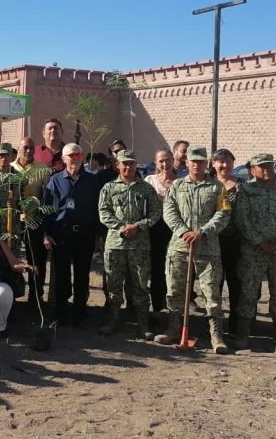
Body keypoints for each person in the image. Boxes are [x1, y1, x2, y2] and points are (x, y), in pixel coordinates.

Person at [155, 145, 232, 354]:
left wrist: (202, 232)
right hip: (180, 248)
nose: (196, 165)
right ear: (186, 163)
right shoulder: (177, 186)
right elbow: (169, 212)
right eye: (193, 161)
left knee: (211, 293)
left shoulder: (218, 188)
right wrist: (183, 232)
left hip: (207, 249)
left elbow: (223, 214)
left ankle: (216, 335)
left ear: (206, 163)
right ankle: (174, 328)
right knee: (174, 290)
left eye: (200, 161)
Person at [233, 154, 276, 351]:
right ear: (252, 170)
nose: (266, 170)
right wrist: (259, 242)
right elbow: (242, 220)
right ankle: (243, 334)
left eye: (269, 166)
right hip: (253, 251)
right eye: (261, 167)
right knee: (248, 292)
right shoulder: (245, 191)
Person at [97, 150, 161, 338]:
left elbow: (155, 213)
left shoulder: (146, 188)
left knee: (141, 286)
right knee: (114, 285)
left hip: (139, 246)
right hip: (116, 245)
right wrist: (122, 227)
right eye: (125, 163)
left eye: (132, 163)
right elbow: (103, 212)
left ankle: (143, 324)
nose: (128, 167)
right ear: (118, 165)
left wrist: (138, 227)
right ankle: (113, 321)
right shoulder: (108, 188)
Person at [43, 143, 102, 326]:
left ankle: (80, 313)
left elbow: (97, 209)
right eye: (71, 155)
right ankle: (61, 313)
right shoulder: (55, 180)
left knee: (83, 274)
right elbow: (47, 208)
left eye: (78, 154)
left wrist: (99, 235)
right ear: (63, 159)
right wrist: (46, 233)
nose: (75, 158)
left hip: (85, 234)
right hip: (62, 234)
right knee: (62, 275)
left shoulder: (92, 180)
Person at [13, 137, 52, 303]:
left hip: (34, 221)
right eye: (25, 148)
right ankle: (13, 293)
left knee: (36, 258)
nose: (28, 151)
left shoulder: (42, 169)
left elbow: (47, 197)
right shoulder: (10, 168)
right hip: (13, 221)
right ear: (18, 148)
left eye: (31, 148)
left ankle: (36, 295)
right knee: (12, 256)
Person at [212, 148, 242, 334]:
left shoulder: (242, 186)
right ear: (213, 164)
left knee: (236, 283)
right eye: (220, 161)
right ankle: (215, 325)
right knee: (214, 283)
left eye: (228, 161)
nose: (224, 165)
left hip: (237, 242)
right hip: (213, 241)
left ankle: (236, 325)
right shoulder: (208, 184)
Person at [145, 148, 177, 313]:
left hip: (176, 230)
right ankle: (157, 307)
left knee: (175, 269)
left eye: (168, 160)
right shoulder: (149, 181)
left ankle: (174, 309)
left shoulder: (181, 181)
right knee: (157, 268)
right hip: (155, 230)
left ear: (173, 160)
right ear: (156, 163)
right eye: (161, 161)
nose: (165, 164)